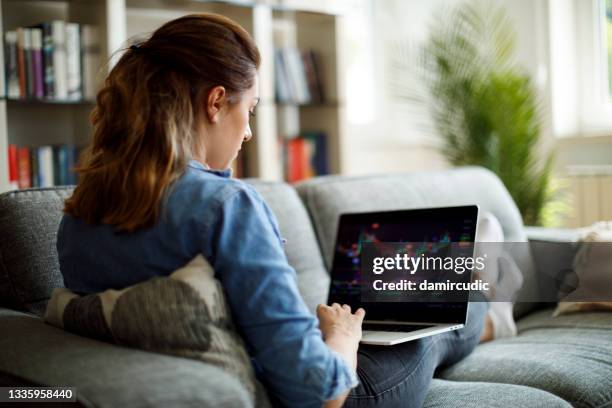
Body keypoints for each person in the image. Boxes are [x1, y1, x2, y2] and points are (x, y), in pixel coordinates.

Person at [57, 13, 487, 408]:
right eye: (249, 111)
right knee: (437, 324)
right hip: (314, 397)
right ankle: (487, 309)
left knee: (404, 310)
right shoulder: (226, 205)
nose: (247, 132)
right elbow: (323, 395)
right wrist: (341, 336)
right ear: (215, 102)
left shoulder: (79, 213)